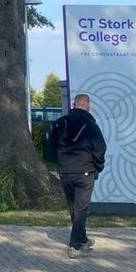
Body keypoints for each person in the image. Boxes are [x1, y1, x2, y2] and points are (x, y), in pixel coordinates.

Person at [50, 93, 107, 259]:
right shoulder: (91, 125)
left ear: (74, 105)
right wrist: (98, 166)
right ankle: (75, 246)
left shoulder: (61, 123)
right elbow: (100, 148)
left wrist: (61, 162)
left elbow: (52, 144)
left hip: (65, 171)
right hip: (85, 171)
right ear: (88, 106)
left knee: (73, 206)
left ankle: (82, 238)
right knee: (81, 208)